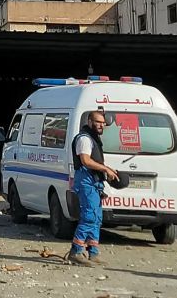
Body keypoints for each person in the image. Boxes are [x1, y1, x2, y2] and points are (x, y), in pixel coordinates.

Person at [68, 110, 118, 266]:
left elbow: (94, 161)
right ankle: (75, 252)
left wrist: (108, 170)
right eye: (98, 122)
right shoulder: (84, 139)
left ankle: (93, 252)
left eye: (103, 123)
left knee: (96, 219)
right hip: (86, 182)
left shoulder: (94, 139)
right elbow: (85, 161)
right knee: (89, 217)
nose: (101, 125)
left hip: (94, 183)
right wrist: (105, 169)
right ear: (89, 122)